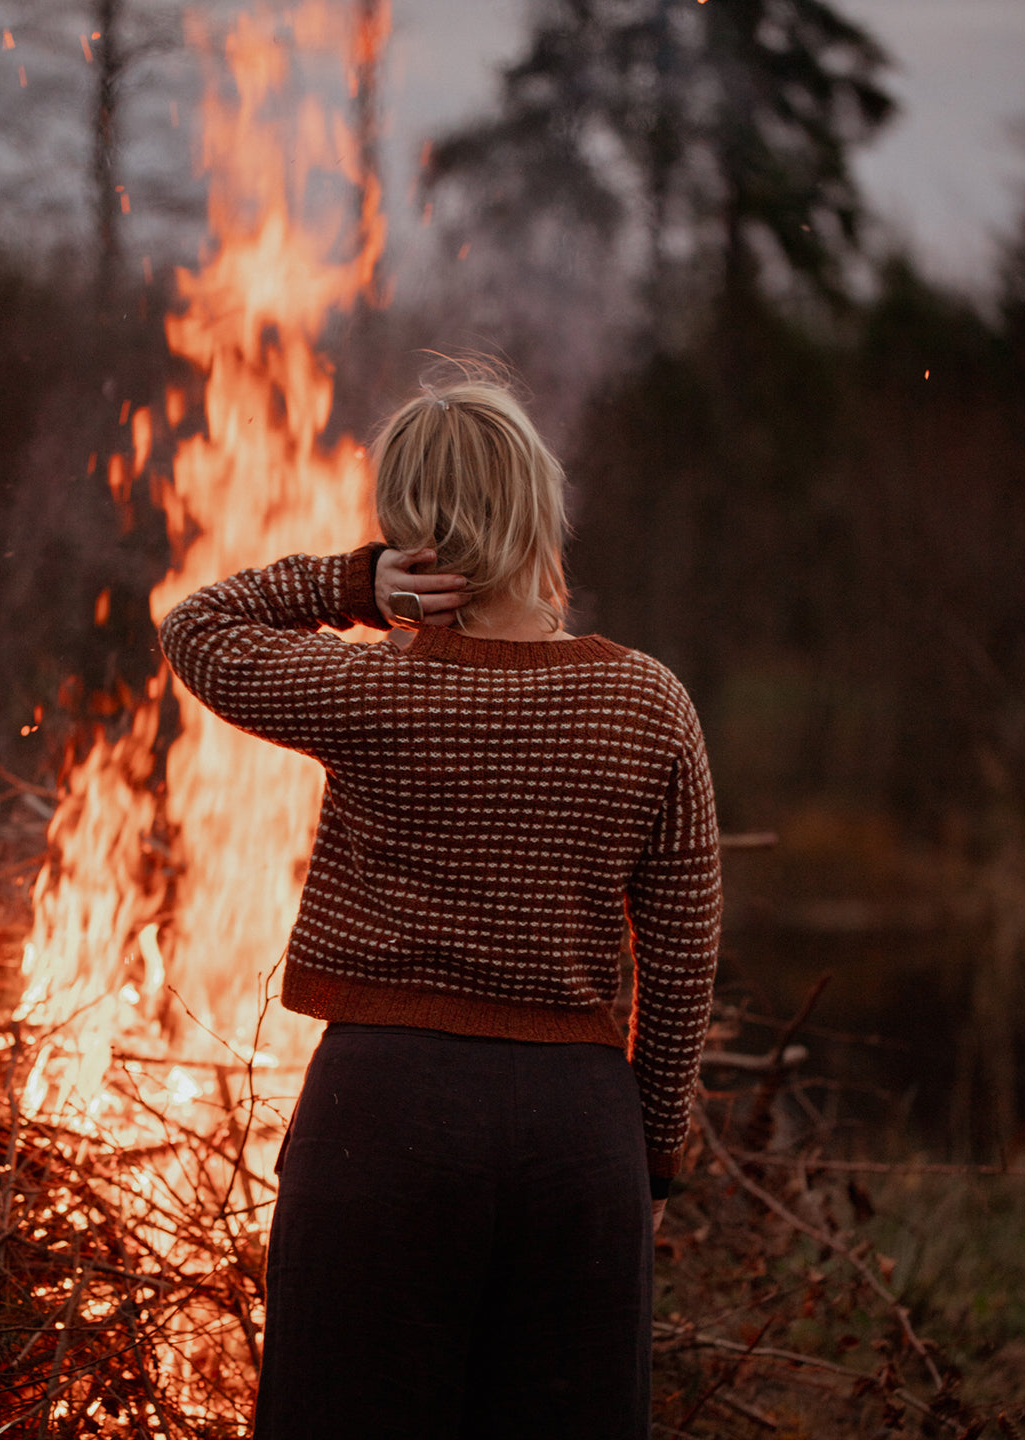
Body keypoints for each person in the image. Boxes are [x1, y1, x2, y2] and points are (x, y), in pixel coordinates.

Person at [158, 374, 722, 1440]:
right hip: (578, 1136)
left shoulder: (372, 691)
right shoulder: (647, 703)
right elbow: (684, 951)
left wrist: (361, 584)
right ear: (539, 508)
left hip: (382, 1125)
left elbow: (201, 624)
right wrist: (651, 1149)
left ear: (406, 523)